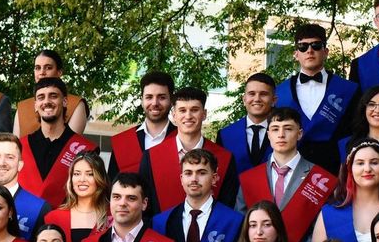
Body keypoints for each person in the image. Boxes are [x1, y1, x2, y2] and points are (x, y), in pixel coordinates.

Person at [238, 107, 338, 242]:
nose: (281, 135)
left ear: (299, 134)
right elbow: (242, 224)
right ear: (268, 134)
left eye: (288, 128)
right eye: (275, 129)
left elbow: (320, 229)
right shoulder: (249, 178)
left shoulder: (320, 179)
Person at [152, 148, 244, 242]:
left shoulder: (234, 221)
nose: (194, 179)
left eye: (201, 173)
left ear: (214, 178)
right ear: (181, 178)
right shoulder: (161, 222)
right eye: (188, 173)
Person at [138, 86, 238, 214]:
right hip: (161, 226)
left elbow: (227, 206)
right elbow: (144, 206)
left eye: (194, 110)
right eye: (182, 110)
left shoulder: (224, 158)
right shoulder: (151, 157)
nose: (188, 116)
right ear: (174, 115)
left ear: (204, 114)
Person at [275, 22, 356, 171]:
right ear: (296, 54)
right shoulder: (279, 93)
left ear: (326, 52)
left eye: (316, 46)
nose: (309, 51)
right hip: (290, 169)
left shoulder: (348, 90)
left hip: (335, 169)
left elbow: (353, 133)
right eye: (303, 47)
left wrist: (344, 168)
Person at [17, 77, 95, 207]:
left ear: (64, 101)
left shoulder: (86, 150)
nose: (47, 102)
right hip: (23, 217)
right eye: (41, 97)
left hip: (67, 216)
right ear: (35, 105)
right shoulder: (20, 146)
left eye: (53, 96)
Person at [107, 70, 175, 176]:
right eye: (149, 97)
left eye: (162, 97)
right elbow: (111, 183)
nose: (155, 103)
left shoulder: (182, 139)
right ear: (142, 101)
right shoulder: (123, 143)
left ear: (171, 101)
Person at [43, 151, 109, 242]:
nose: (82, 180)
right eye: (77, 174)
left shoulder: (112, 216)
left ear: (99, 178)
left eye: (89, 174)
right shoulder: (53, 218)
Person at [217, 72, 278, 175]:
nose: (257, 99)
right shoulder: (225, 135)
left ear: (274, 100)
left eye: (263, 94)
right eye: (252, 94)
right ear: (244, 99)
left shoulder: (284, 133)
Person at [18, 49, 89, 134]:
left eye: (48, 68)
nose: (42, 72)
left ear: (59, 72)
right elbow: (15, 142)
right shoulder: (22, 107)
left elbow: (72, 141)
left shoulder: (76, 104)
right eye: (37, 68)